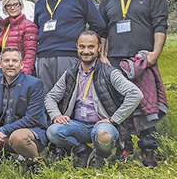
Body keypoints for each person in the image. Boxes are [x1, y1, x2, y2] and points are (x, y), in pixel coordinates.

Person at [99, 0, 169, 167]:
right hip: (115, 62)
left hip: (142, 59)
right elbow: (102, 30)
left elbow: (160, 25)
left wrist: (154, 54)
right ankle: (125, 147)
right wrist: (102, 55)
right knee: (118, 104)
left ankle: (148, 149)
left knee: (146, 104)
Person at [45, 32, 143, 168]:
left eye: (91, 47)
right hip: (77, 125)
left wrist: (114, 120)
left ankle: (99, 157)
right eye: (82, 47)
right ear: (77, 48)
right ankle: (83, 151)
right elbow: (50, 97)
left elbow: (135, 94)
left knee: (104, 135)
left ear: (99, 48)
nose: (86, 51)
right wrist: (56, 115)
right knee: (53, 131)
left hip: (102, 125)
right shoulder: (71, 73)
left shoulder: (109, 73)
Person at [34, 0, 107, 92]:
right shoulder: (40, 3)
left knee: (69, 96)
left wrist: (86, 45)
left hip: (68, 55)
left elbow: (99, 25)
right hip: (44, 56)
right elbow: (35, 29)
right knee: (46, 99)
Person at [0, 0, 38, 77]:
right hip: (2, 69)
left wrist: (24, 75)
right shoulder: (4, 25)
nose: (12, 8)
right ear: (5, 9)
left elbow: (30, 54)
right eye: (9, 5)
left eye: (16, 4)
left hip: (18, 71)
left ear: (21, 6)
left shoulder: (29, 26)